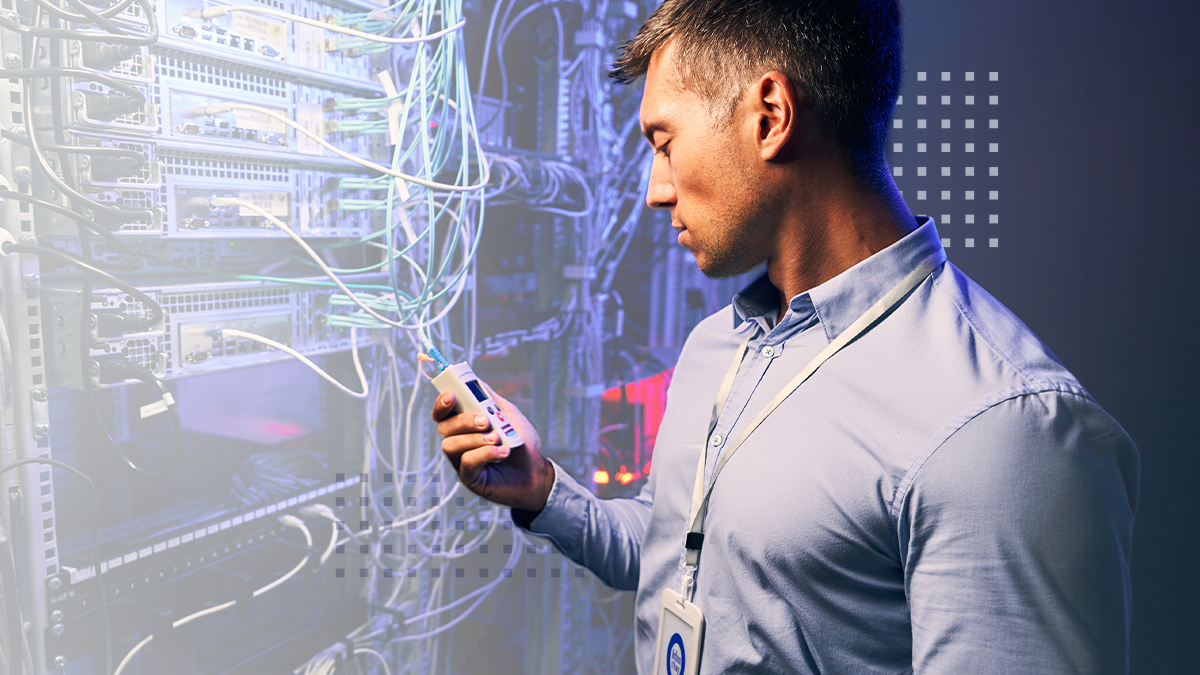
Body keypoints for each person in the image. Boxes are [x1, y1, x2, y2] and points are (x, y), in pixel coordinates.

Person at [433, 0, 1140, 673]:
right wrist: (543, 490)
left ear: (770, 116)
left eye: (665, 144)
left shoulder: (1002, 431)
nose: (655, 189)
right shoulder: (716, 345)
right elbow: (685, 550)